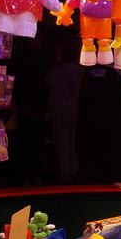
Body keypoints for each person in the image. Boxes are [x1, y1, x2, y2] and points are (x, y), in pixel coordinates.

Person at [46, 27, 82, 184]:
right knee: (70, 142)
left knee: (62, 143)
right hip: (72, 107)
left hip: (60, 109)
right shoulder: (77, 68)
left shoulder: (62, 69)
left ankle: (65, 174)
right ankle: (72, 171)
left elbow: (49, 81)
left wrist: (56, 62)